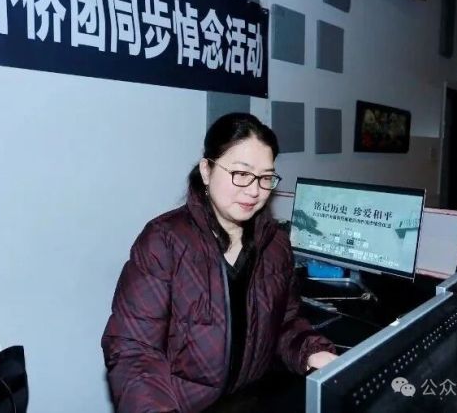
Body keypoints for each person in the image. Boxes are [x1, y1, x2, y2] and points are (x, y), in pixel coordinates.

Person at [101, 113, 337, 413]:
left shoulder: (276, 245)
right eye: (241, 173)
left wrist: (313, 352)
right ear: (206, 170)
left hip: (251, 402)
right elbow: (134, 350)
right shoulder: (164, 242)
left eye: (266, 177)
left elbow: (285, 322)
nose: (254, 190)